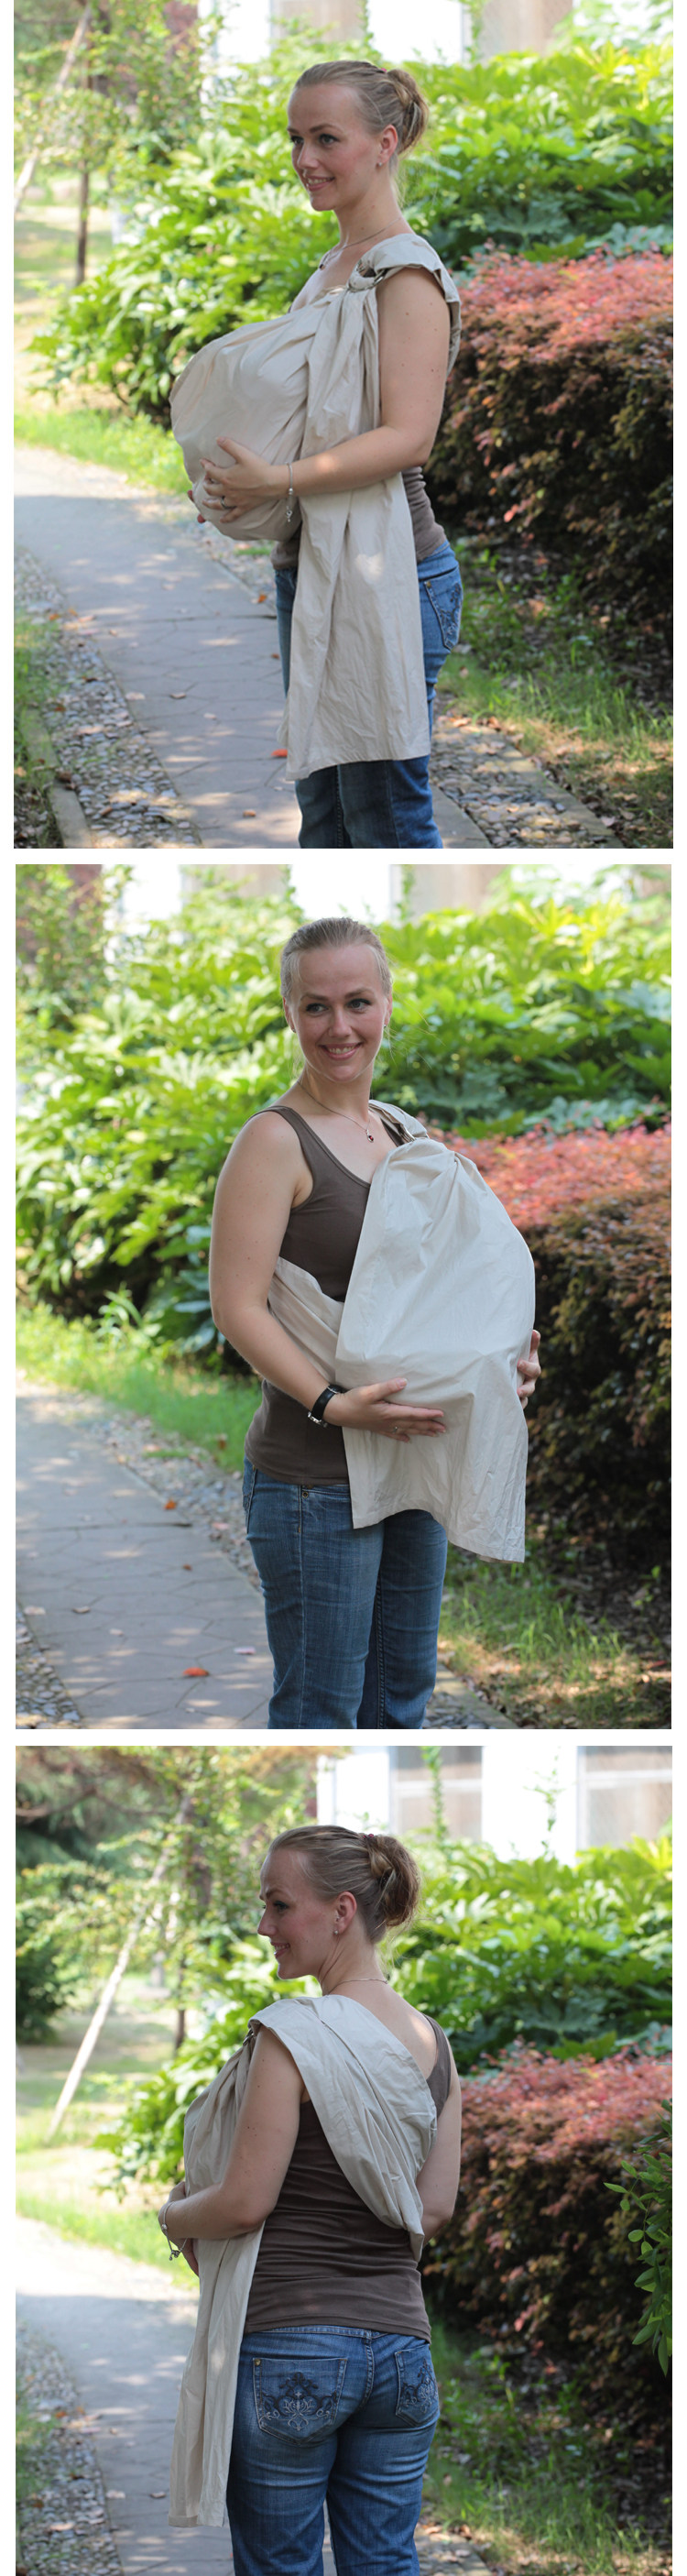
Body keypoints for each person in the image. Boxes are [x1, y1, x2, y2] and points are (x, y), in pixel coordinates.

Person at [209, 916, 541, 1729]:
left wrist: (498, 1361)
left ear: (388, 1003)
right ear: (290, 1012)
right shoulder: (273, 1142)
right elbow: (237, 1306)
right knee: (321, 1708)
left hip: (411, 1462)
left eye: (357, 1001)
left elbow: (445, 1290)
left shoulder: (402, 1133)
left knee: (399, 1700)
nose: (339, 1027)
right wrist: (333, 1403)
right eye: (316, 1006)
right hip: (314, 1479)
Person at [158, 1821, 463, 2576]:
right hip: (403, 2354)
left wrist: (172, 2213)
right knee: (386, 2561)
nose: (265, 1925)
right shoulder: (434, 2042)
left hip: (291, 2345)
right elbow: (431, 2210)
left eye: (279, 1904)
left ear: (342, 1911)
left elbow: (244, 2200)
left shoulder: (292, 2034)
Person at [192, 60, 463, 849]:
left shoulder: (405, 275)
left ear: (385, 143)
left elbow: (408, 436)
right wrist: (237, 484)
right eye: (296, 139)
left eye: (326, 138)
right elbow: (314, 418)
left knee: (385, 819)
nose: (305, 159)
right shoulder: (333, 268)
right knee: (325, 816)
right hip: (314, 566)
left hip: (390, 574)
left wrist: (278, 479)